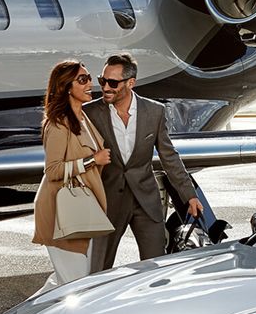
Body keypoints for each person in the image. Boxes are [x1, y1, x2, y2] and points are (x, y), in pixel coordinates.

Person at [84, 53, 203, 273]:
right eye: (102, 80)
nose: (105, 87)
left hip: (146, 201)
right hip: (108, 202)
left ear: (130, 83)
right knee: (97, 272)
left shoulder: (154, 111)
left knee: (156, 269)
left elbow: (169, 157)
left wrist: (190, 195)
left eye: (112, 82)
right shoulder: (90, 113)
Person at [32, 60, 111, 293]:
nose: (90, 85)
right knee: (75, 286)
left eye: (89, 78)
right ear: (66, 86)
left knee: (63, 283)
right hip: (61, 213)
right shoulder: (58, 124)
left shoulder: (84, 119)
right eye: (82, 80)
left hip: (83, 209)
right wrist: (91, 161)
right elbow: (53, 170)